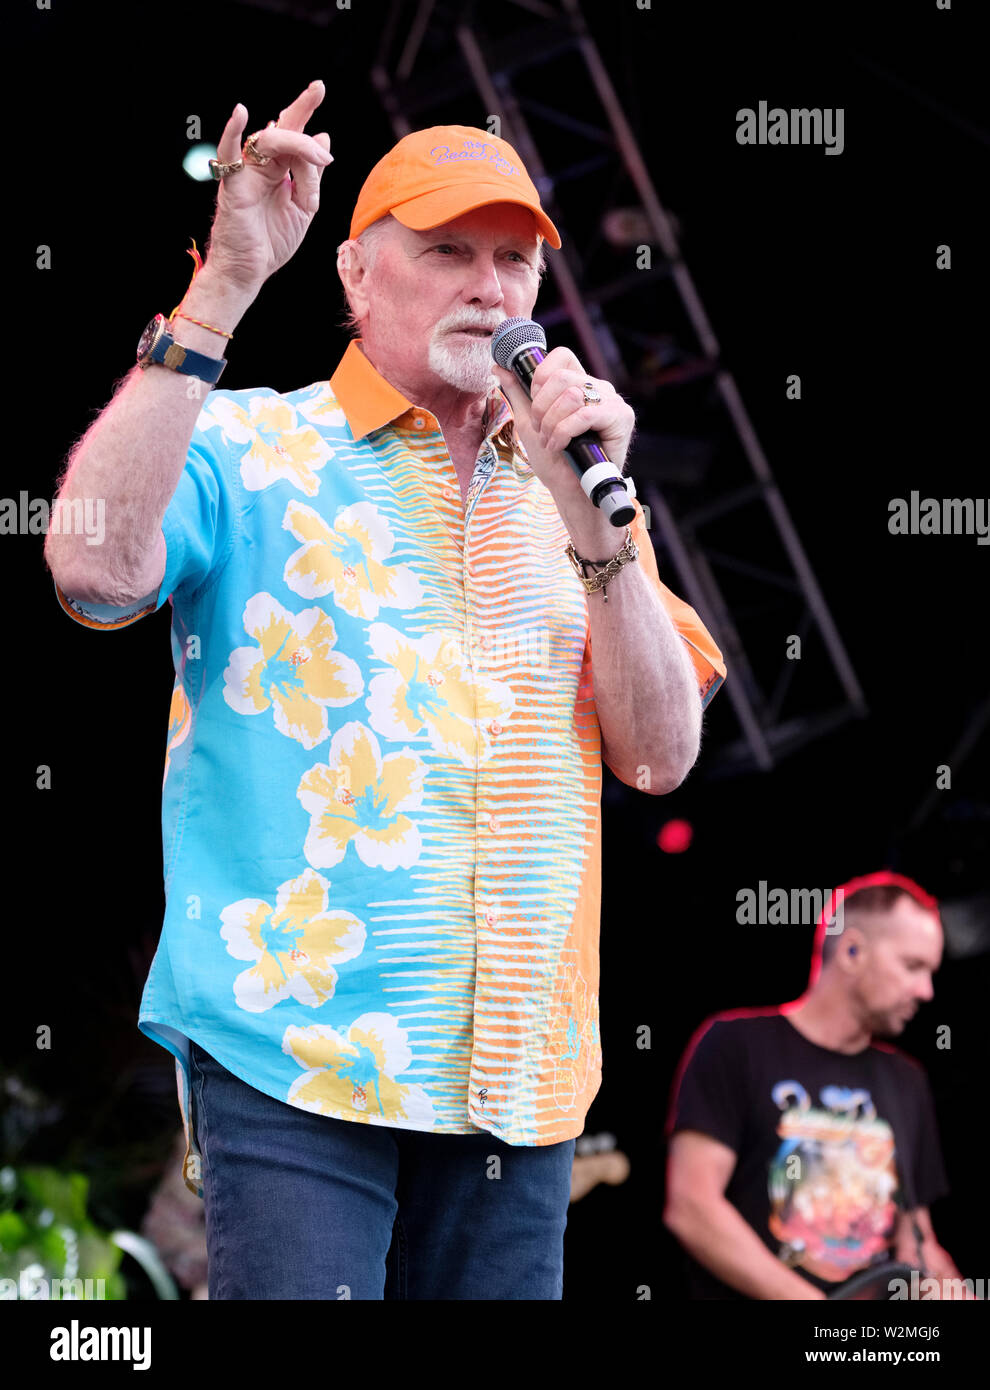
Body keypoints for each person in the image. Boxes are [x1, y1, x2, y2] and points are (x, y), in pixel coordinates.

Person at [44, 82, 726, 1300]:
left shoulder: (579, 501)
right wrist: (225, 285)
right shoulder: (251, 444)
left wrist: (601, 536)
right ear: (358, 277)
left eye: (515, 261)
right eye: (450, 251)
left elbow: (663, 755)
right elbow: (92, 569)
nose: (492, 286)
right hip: (297, 1055)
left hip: (523, 1080)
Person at [664, 872, 968, 1300]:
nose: (926, 991)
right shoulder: (735, 1045)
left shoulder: (907, 1081)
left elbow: (918, 1240)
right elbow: (693, 1207)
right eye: (912, 966)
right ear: (852, 950)